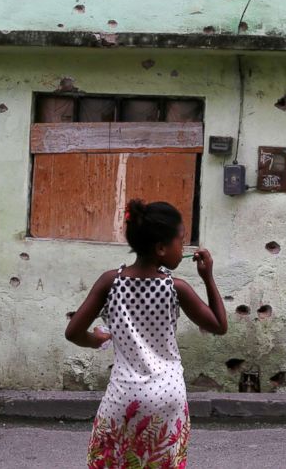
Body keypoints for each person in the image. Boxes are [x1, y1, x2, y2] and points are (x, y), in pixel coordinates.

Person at [65, 199, 228, 469]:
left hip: (124, 397)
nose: (184, 248)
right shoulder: (177, 288)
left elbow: (73, 333)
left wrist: (97, 340)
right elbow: (219, 325)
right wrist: (208, 277)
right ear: (161, 248)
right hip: (168, 398)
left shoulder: (110, 282)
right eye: (181, 240)